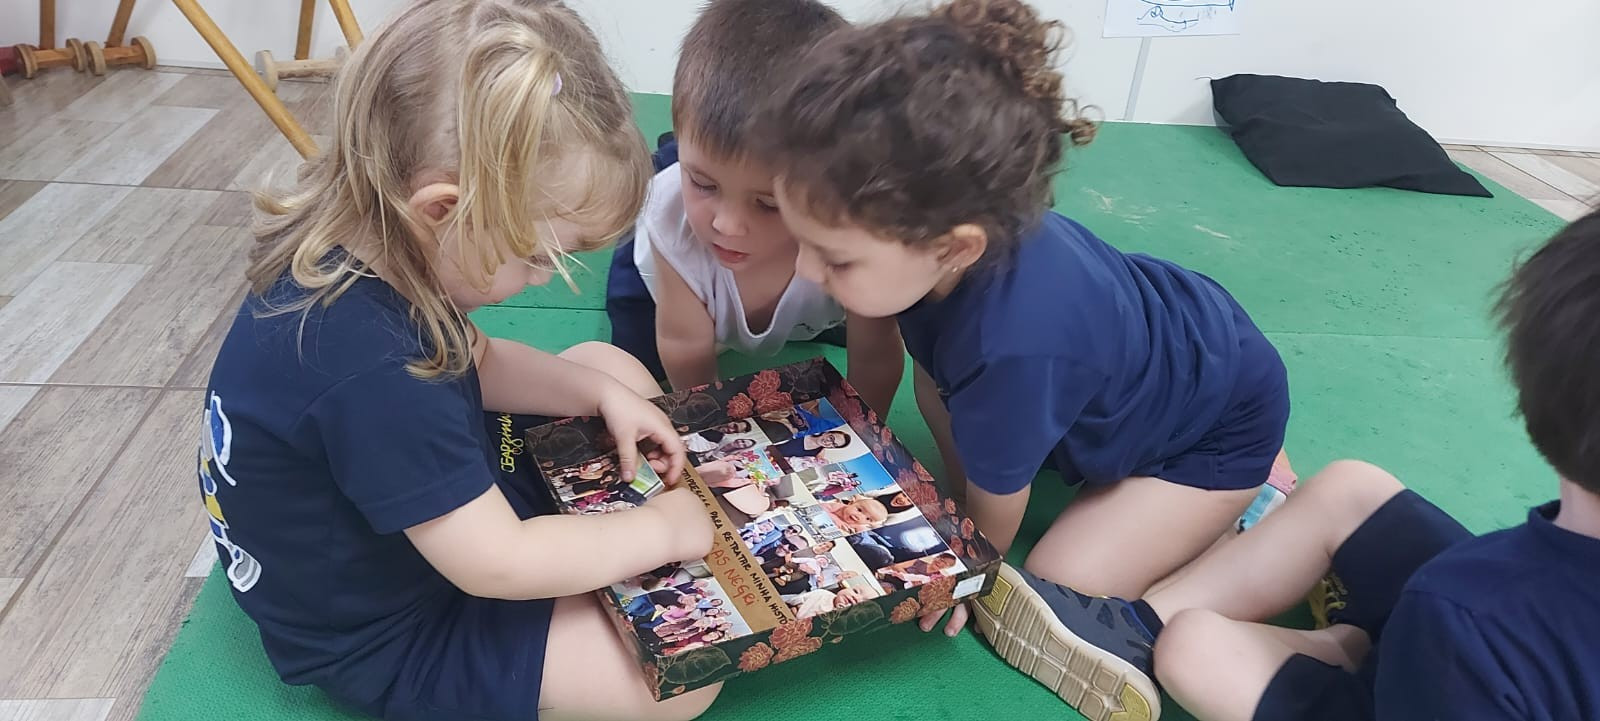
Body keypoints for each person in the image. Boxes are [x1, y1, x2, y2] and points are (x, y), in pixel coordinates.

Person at [755, 0, 1295, 710]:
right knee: (959, 415)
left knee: (1058, 577)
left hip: (1216, 428)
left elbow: (998, 500)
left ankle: (1260, 508)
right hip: (1172, 346)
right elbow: (923, 381)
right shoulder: (926, 248)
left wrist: (965, 565)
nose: (807, 271)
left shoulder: (1013, 342)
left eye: (836, 258)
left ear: (955, 247)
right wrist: (940, 499)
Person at [192, 3, 720, 720]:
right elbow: (497, 562)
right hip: (392, 628)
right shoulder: (371, 371)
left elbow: (483, 360)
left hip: (414, 507)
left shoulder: (369, 241)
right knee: (680, 683)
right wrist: (658, 533)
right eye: (537, 257)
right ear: (441, 209)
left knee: (611, 370)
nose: (541, 280)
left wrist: (600, 395)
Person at [968, 212, 1600, 721]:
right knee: (1353, 488)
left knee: (1193, 647)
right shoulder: (1472, 604)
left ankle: (1326, 642)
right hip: (1469, 645)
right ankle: (1148, 625)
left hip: (1439, 678)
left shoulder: (1464, 612)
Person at [603, 0, 904, 413]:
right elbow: (683, 345)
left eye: (768, 205)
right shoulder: (670, 218)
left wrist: (863, 430)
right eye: (703, 183)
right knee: (637, 367)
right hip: (660, 276)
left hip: (807, 285)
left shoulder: (856, 234)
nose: (727, 225)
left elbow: (875, 357)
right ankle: (677, 158)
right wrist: (712, 429)